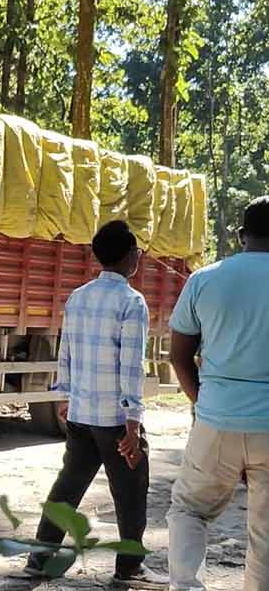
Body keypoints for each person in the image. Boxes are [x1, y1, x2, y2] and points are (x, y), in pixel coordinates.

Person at [24, 220, 168, 588]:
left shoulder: (79, 296)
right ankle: (130, 567)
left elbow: (66, 352)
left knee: (68, 485)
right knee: (131, 490)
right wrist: (133, 423)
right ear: (130, 257)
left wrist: (64, 396)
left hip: (82, 414)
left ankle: (40, 557)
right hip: (115, 419)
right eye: (137, 251)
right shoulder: (131, 302)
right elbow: (131, 365)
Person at [167, 196, 269, 591]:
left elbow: (179, 356)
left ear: (242, 235)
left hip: (216, 419)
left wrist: (202, 403)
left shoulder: (205, 279)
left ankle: (186, 586)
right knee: (264, 529)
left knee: (189, 509)